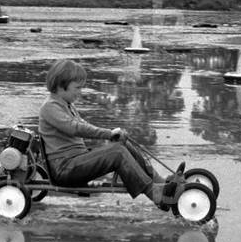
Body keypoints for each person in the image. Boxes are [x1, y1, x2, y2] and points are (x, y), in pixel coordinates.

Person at [38, 60, 181, 208]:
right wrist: (108, 134)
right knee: (117, 153)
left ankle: (159, 182)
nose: (80, 92)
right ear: (62, 85)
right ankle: (155, 194)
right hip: (64, 168)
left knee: (121, 144)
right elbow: (75, 128)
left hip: (75, 161)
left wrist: (113, 134)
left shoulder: (67, 104)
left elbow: (84, 125)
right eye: (77, 88)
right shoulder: (50, 107)